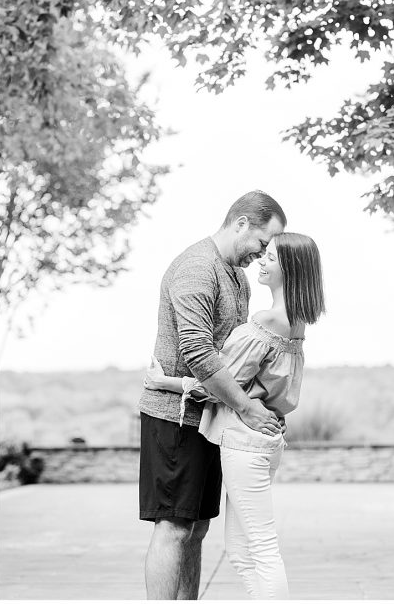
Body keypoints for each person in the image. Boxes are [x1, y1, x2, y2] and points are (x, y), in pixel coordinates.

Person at [145, 232, 326, 599]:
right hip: (262, 440)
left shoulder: (268, 321)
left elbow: (220, 382)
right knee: (242, 551)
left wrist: (165, 381)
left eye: (271, 257)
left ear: (289, 268)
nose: (262, 259)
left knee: (258, 548)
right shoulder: (296, 323)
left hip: (245, 442)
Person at [136, 190, 287, 599]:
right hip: (174, 417)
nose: (262, 254)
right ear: (241, 224)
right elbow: (198, 351)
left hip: (210, 418)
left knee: (197, 527)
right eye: (261, 243)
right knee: (173, 527)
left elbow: (234, 355)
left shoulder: (235, 275)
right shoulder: (197, 268)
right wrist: (246, 407)